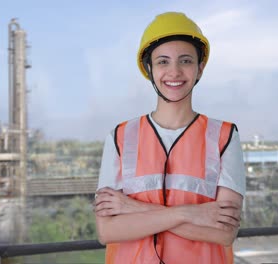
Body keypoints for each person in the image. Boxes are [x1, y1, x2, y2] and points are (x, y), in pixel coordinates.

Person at [94, 11, 246, 264]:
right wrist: (191, 213)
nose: (174, 72)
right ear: (149, 69)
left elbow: (224, 233)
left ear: (200, 68)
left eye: (185, 61)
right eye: (163, 61)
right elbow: (107, 231)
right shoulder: (120, 137)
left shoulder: (224, 136)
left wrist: (134, 209)